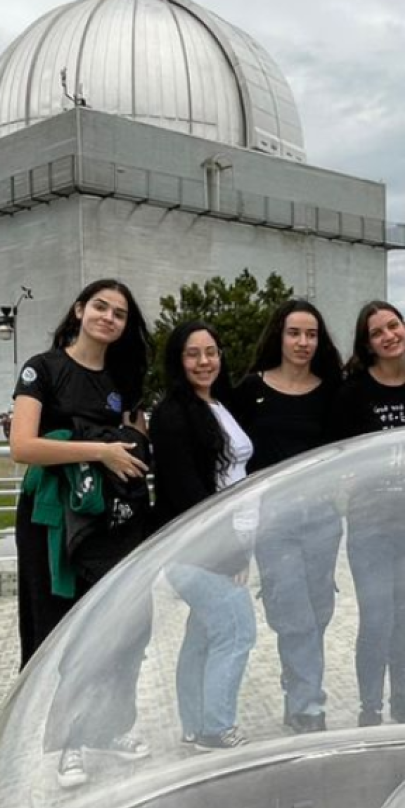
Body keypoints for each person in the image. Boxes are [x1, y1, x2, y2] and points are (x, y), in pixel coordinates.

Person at [8, 279, 155, 788]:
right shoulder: (43, 368)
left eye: (119, 313)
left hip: (108, 519)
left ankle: (108, 729)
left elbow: (135, 437)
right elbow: (23, 446)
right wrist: (98, 450)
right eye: (100, 307)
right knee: (62, 626)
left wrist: (127, 444)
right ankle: (68, 741)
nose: (108, 318)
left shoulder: (121, 380)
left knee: (122, 626)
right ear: (78, 310)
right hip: (50, 518)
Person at [228, 299, 344, 732]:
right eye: (294, 333)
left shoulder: (331, 389)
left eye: (311, 334)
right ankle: (307, 705)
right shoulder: (248, 391)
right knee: (292, 611)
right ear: (279, 336)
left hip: (322, 517)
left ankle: (297, 677)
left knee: (319, 610)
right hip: (273, 517)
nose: (303, 342)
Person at [150, 320, 258, 752]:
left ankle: (195, 727)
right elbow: (189, 495)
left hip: (221, 543)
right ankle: (216, 729)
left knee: (204, 636)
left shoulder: (217, 404)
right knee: (236, 632)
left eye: (211, 351)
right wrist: (230, 556)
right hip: (199, 548)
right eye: (193, 354)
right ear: (178, 361)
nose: (204, 361)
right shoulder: (172, 414)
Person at [335, 301, 405, 726]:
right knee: (376, 616)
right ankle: (370, 707)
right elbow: (337, 458)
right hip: (371, 525)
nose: (389, 335)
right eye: (378, 332)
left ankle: (402, 702)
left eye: (393, 326)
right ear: (368, 343)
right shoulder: (353, 392)